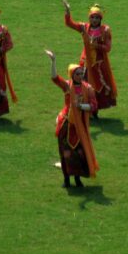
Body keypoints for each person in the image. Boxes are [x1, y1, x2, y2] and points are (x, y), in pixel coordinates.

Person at [44, 51, 98, 189]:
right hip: (66, 123)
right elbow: (55, 78)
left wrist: (81, 106)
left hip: (80, 125)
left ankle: (78, 179)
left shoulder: (88, 88)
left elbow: (94, 106)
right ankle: (66, 179)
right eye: (77, 74)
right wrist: (53, 61)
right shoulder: (68, 86)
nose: (80, 76)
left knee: (79, 152)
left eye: (81, 74)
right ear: (72, 75)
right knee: (65, 152)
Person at [62, 1, 117, 115]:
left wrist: (95, 45)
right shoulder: (84, 28)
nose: (95, 20)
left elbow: (108, 48)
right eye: (92, 17)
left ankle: (94, 110)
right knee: (83, 86)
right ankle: (82, 109)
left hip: (98, 65)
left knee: (96, 87)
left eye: (97, 17)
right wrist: (67, 11)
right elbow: (69, 23)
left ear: (100, 19)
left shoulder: (105, 30)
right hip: (85, 63)